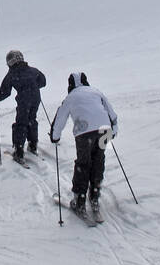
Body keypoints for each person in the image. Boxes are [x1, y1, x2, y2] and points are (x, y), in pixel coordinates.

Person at [50, 70, 118, 217]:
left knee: (83, 164)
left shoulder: (70, 97)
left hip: (84, 132)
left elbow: (60, 118)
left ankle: (79, 201)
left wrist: (55, 137)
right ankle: (94, 197)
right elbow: (110, 111)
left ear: (70, 84)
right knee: (98, 160)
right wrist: (114, 128)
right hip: (104, 129)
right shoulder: (96, 92)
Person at [0, 49, 47, 161]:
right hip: (36, 98)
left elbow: (5, 92)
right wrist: (34, 86)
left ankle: (19, 151)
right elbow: (43, 82)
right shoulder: (33, 70)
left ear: (10, 62)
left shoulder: (12, 74)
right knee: (32, 120)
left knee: (21, 123)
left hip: (24, 101)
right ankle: (33, 144)